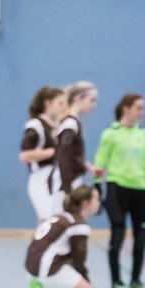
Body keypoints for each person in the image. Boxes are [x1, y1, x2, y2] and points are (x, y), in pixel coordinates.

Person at [94, 94, 145, 288]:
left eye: (143, 108)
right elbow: (100, 160)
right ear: (126, 108)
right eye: (138, 108)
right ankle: (116, 280)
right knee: (118, 232)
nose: (142, 112)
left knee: (141, 234)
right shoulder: (110, 134)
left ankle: (136, 279)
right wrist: (97, 185)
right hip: (117, 187)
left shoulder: (141, 133)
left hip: (139, 187)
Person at [26, 184, 101, 288]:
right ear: (85, 203)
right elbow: (79, 262)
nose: (99, 203)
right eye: (96, 199)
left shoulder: (61, 217)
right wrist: (87, 284)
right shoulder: (79, 226)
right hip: (47, 269)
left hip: (31, 267)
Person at [19, 86, 67, 222]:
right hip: (41, 178)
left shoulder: (56, 126)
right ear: (48, 103)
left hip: (55, 177)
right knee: (48, 219)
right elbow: (25, 155)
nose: (63, 108)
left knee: (54, 219)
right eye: (60, 103)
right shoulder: (35, 125)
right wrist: (54, 152)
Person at [52, 81, 99, 213]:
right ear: (79, 98)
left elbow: (72, 153)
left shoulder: (72, 122)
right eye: (92, 100)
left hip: (70, 178)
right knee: (62, 220)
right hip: (66, 180)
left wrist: (87, 166)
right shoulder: (70, 123)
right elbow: (63, 157)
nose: (94, 105)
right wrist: (67, 189)